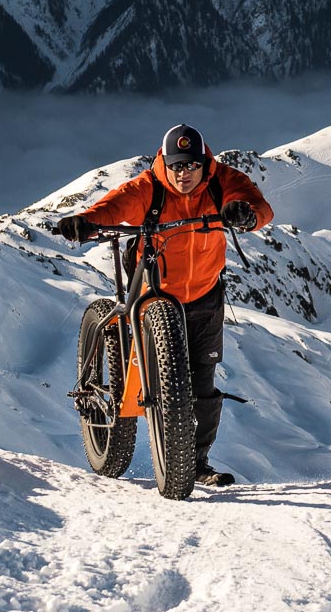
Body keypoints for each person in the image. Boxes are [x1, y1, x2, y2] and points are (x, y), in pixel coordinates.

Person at [51, 124, 272, 488]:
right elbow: (116, 205)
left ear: (205, 164)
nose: (183, 174)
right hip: (152, 287)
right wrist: (88, 221)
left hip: (204, 293)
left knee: (203, 381)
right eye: (176, 166)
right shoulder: (149, 188)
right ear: (164, 163)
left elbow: (258, 206)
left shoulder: (222, 182)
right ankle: (122, 367)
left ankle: (195, 463)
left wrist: (245, 215)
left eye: (191, 166)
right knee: (148, 351)